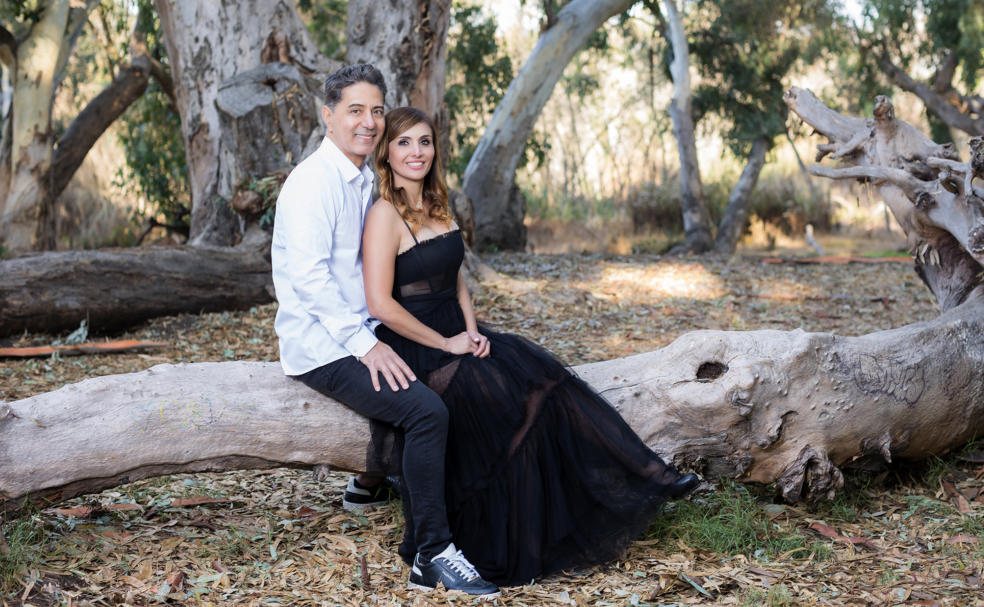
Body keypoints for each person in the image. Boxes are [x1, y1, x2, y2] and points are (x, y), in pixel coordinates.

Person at [362, 106, 700, 587]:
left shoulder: (439, 206)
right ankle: (490, 537)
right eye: (404, 143)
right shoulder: (384, 215)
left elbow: (457, 281)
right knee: (501, 402)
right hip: (415, 341)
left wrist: (472, 330)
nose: (416, 152)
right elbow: (380, 303)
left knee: (551, 382)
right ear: (387, 153)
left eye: (424, 142)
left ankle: (648, 476)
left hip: (456, 331)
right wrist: (447, 342)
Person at [272, 65, 500, 599]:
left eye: (376, 110)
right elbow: (309, 281)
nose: (368, 121)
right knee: (426, 412)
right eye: (355, 110)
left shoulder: (362, 181)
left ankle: (379, 487)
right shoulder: (312, 183)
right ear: (327, 115)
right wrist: (367, 346)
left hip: (365, 328)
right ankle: (432, 556)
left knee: (467, 382)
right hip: (324, 348)